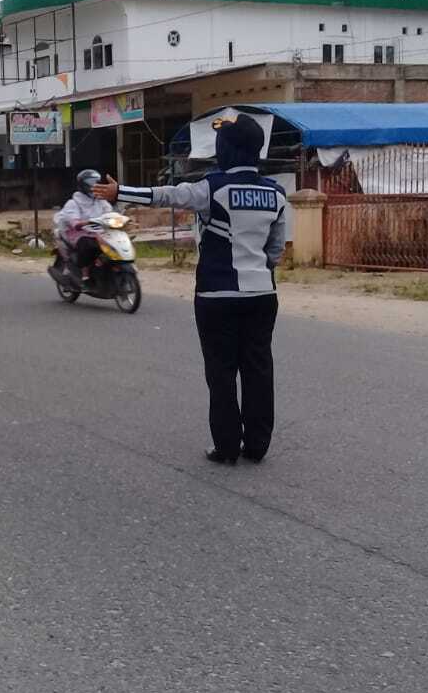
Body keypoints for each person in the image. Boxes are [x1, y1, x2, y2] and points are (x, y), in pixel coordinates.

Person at [94, 114, 287, 465]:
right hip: (262, 296)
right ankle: (257, 445)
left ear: (227, 149)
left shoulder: (212, 188)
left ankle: (227, 447)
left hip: (216, 297)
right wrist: (258, 270)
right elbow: (275, 249)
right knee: (259, 369)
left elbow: (167, 195)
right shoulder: (276, 193)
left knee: (221, 372)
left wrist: (119, 192)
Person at [53, 168, 113, 283]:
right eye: (91, 182)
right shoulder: (74, 202)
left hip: (98, 232)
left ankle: (103, 266)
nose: (94, 185)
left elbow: (109, 212)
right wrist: (82, 223)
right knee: (88, 245)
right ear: (83, 185)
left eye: (96, 182)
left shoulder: (100, 201)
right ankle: (85, 273)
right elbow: (73, 220)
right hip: (78, 233)